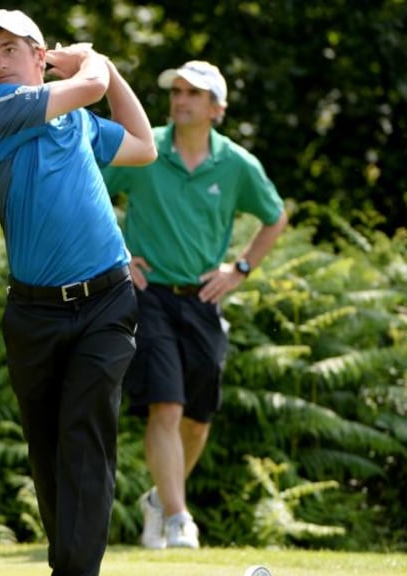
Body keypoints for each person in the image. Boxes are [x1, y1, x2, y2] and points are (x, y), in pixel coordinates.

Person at [0, 9, 157, 576]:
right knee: (47, 452)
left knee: (85, 435)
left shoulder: (77, 123)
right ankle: (67, 564)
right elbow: (89, 84)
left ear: (38, 54)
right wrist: (92, 65)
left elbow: (144, 145)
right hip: (33, 313)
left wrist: (110, 71)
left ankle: (76, 573)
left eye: (8, 51)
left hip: (107, 301)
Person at [101, 60, 288, 549]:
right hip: (150, 296)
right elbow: (90, 192)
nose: (180, 99)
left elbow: (275, 217)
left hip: (203, 301)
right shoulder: (143, 149)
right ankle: (181, 518)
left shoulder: (236, 164)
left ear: (217, 108)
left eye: (193, 93)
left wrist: (239, 269)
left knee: (197, 417)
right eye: (176, 91)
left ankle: (160, 502)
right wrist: (119, 253)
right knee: (166, 404)